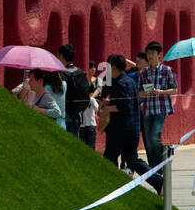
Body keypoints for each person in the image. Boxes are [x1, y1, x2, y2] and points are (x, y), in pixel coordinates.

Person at [102, 54, 160, 192]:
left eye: (109, 66)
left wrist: (106, 108)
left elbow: (124, 106)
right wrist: (108, 103)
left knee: (109, 158)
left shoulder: (122, 83)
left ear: (114, 67)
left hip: (121, 128)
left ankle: (110, 186)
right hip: (130, 127)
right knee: (132, 159)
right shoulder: (128, 81)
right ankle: (158, 181)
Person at [138, 41, 177, 172]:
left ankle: (165, 157)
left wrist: (161, 92)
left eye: (153, 53)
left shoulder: (167, 70)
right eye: (148, 53)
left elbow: (174, 90)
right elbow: (139, 91)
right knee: (149, 141)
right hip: (148, 108)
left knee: (155, 135)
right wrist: (144, 92)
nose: (150, 56)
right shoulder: (143, 72)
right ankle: (155, 169)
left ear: (159, 55)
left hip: (161, 108)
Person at [57, 43, 91, 138]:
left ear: (62, 56)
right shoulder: (80, 72)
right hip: (77, 115)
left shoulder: (62, 74)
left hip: (65, 117)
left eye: (58, 55)